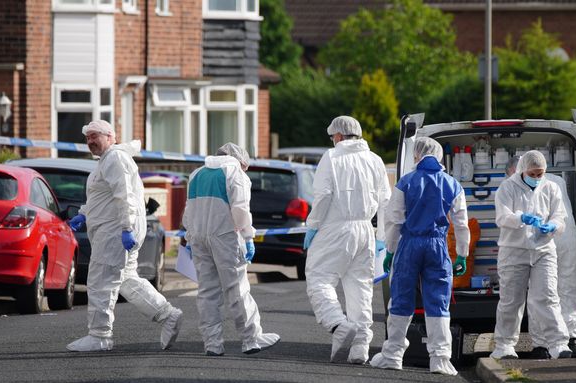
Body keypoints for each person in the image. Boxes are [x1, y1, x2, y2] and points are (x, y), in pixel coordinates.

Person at [67, 120, 183, 352]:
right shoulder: (107, 161)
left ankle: (100, 335)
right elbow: (104, 197)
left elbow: (124, 196)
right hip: (114, 231)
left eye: (95, 136)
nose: (90, 141)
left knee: (101, 281)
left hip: (114, 233)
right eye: (88, 137)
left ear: (111, 137)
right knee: (126, 280)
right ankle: (167, 315)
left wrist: (127, 227)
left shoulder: (114, 159)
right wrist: (84, 214)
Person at [370, 137, 469, 375]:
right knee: (438, 302)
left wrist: (390, 251)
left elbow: (393, 220)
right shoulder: (452, 184)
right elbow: (462, 223)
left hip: (410, 244)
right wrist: (462, 255)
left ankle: (393, 355)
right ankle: (440, 359)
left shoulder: (406, 182)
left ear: (417, 155)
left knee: (401, 299)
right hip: (438, 246)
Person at [303, 116, 391, 364]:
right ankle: (360, 347)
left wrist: (313, 226)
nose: (333, 142)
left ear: (339, 136)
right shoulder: (375, 160)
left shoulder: (331, 158)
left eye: (333, 138)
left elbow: (323, 195)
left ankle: (337, 324)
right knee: (360, 288)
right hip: (365, 231)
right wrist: (382, 237)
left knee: (319, 279)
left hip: (335, 228)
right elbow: (386, 202)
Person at [182, 142, 280, 356]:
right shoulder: (234, 172)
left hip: (199, 237)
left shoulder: (197, 173)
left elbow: (188, 210)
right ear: (242, 162)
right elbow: (241, 209)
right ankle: (251, 340)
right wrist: (248, 236)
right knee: (237, 289)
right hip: (225, 236)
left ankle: (212, 344)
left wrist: (189, 238)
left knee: (207, 292)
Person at [491, 150, 572, 360]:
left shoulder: (551, 187)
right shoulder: (507, 188)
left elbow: (560, 217)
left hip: (543, 250)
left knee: (547, 297)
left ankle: (558, 344)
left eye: (540, 174)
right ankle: (504, 346)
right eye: (533, 174)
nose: (537, 178)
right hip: (513, 250)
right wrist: (521, 218)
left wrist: (552, 225)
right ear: (523, 170)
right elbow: (502, 217)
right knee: (511, 301)